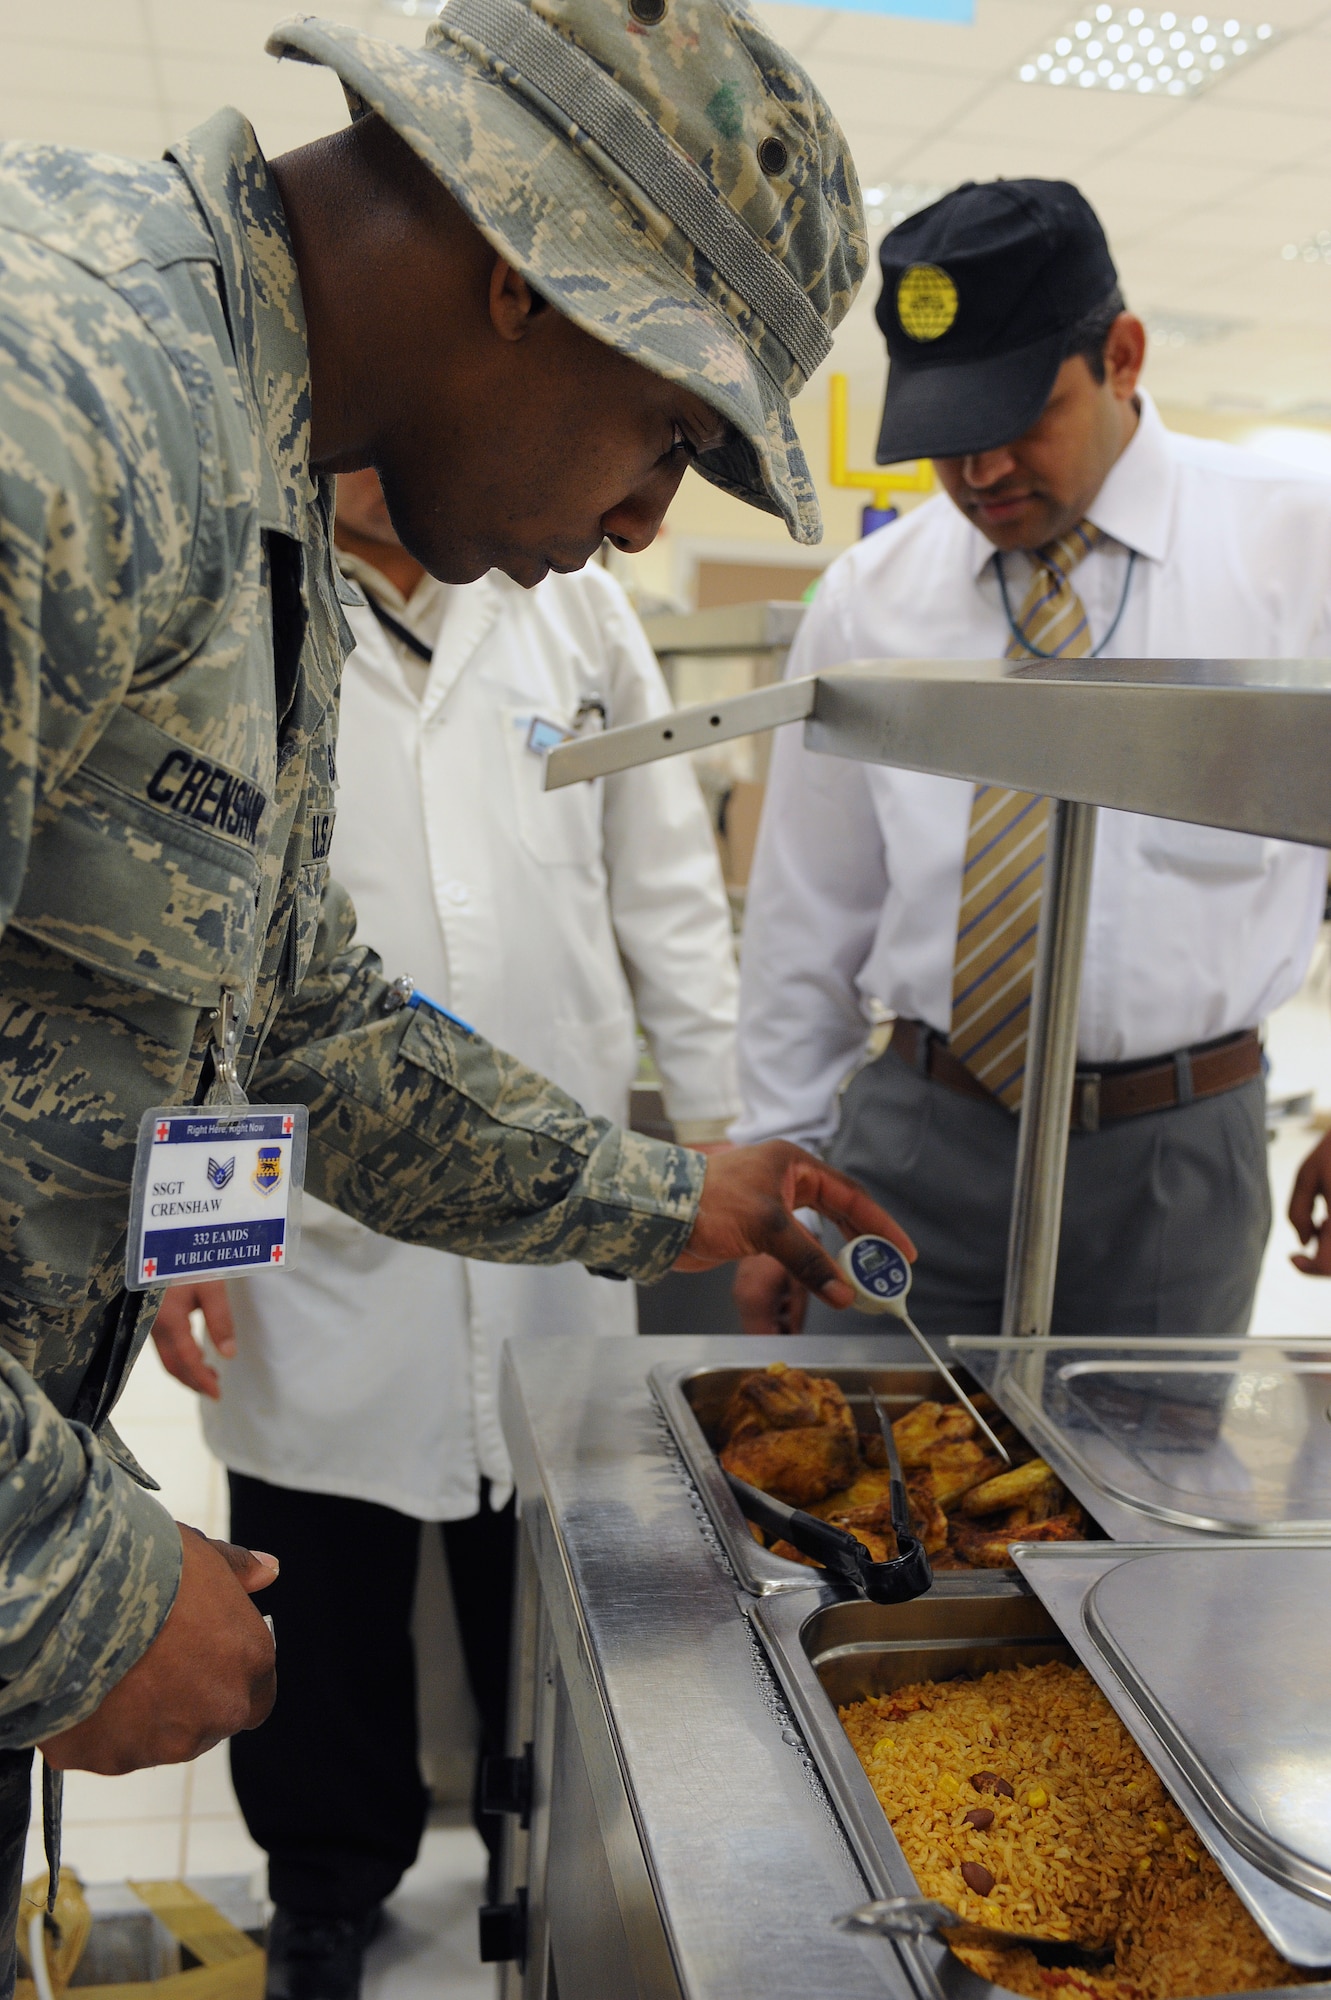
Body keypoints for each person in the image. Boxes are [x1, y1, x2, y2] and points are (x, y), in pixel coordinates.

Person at [0, 0, 915, 1976]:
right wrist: (57, 1588)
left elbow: (308, 1018)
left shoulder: (249, 475)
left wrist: (681, 1198)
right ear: (525, 272)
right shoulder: (57, 399)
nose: (645, 519)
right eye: (669, 430)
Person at [150, 465, 740, 1997]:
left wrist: (724, 1139)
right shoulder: (246, 597)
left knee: (549, 1579)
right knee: (319, 1587)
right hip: (315, 1216)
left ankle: (540, 1871)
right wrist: (185, 1236)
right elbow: (192, 939)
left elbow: (664, 886)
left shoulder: (573, 601)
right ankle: (328, 1891)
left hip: (551, 1204)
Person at [731, 178, 1331, 1343]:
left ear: (1120, 355)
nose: (981, 469)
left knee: (1138, 1503)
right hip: (914, 1139)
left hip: (1176, 1148)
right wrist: (781, 1163)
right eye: (946, 437)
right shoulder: (871, 599)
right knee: (873, 1489)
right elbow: (805, 918)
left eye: (1018, 418)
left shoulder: (1293, 549)